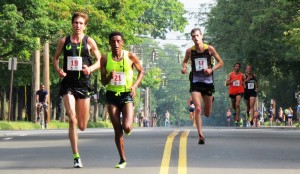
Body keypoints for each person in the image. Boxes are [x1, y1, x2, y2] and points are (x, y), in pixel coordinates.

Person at [53, 12, 101, 168]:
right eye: (76, 23)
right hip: (68, 84)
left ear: (85, 26)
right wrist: (58, 70)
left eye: (81, 23)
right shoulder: (64, 41)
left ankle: (79, 130)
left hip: (84, 85)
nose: (78, 25)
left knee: (82, 125)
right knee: (72, 119)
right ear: (72, 24)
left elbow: (100, 60)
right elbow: (55, 58)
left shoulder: (89, 41)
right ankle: (76, 156)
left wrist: (90, 69)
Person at [100, 31, 144, 168]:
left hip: (126, 95)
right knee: (117, 129)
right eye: (113, 41)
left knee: (126, 127)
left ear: (122, 42)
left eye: (118, 41)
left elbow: (141, 71)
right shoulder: (105, 59)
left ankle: (130, 121)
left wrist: (135, 86)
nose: (116, 44)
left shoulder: (130, 56)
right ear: (109, 43)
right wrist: (109, 77)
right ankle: (122, 159)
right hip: (112, 95)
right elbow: (103, 81)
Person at [181, 28, 223, 144]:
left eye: (197, 36)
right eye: (193, 36)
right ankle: (201, 135)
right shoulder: (190, 51)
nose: (196, 38)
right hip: (195, 82)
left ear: (202, 36)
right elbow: (185, 61)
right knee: (198, 109)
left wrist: (211, 69)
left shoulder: (209, 49)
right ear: (192, 38)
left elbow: (220, 62)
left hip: (208, 82)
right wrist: (184, 68)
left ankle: (210, 100)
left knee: (207, 113)